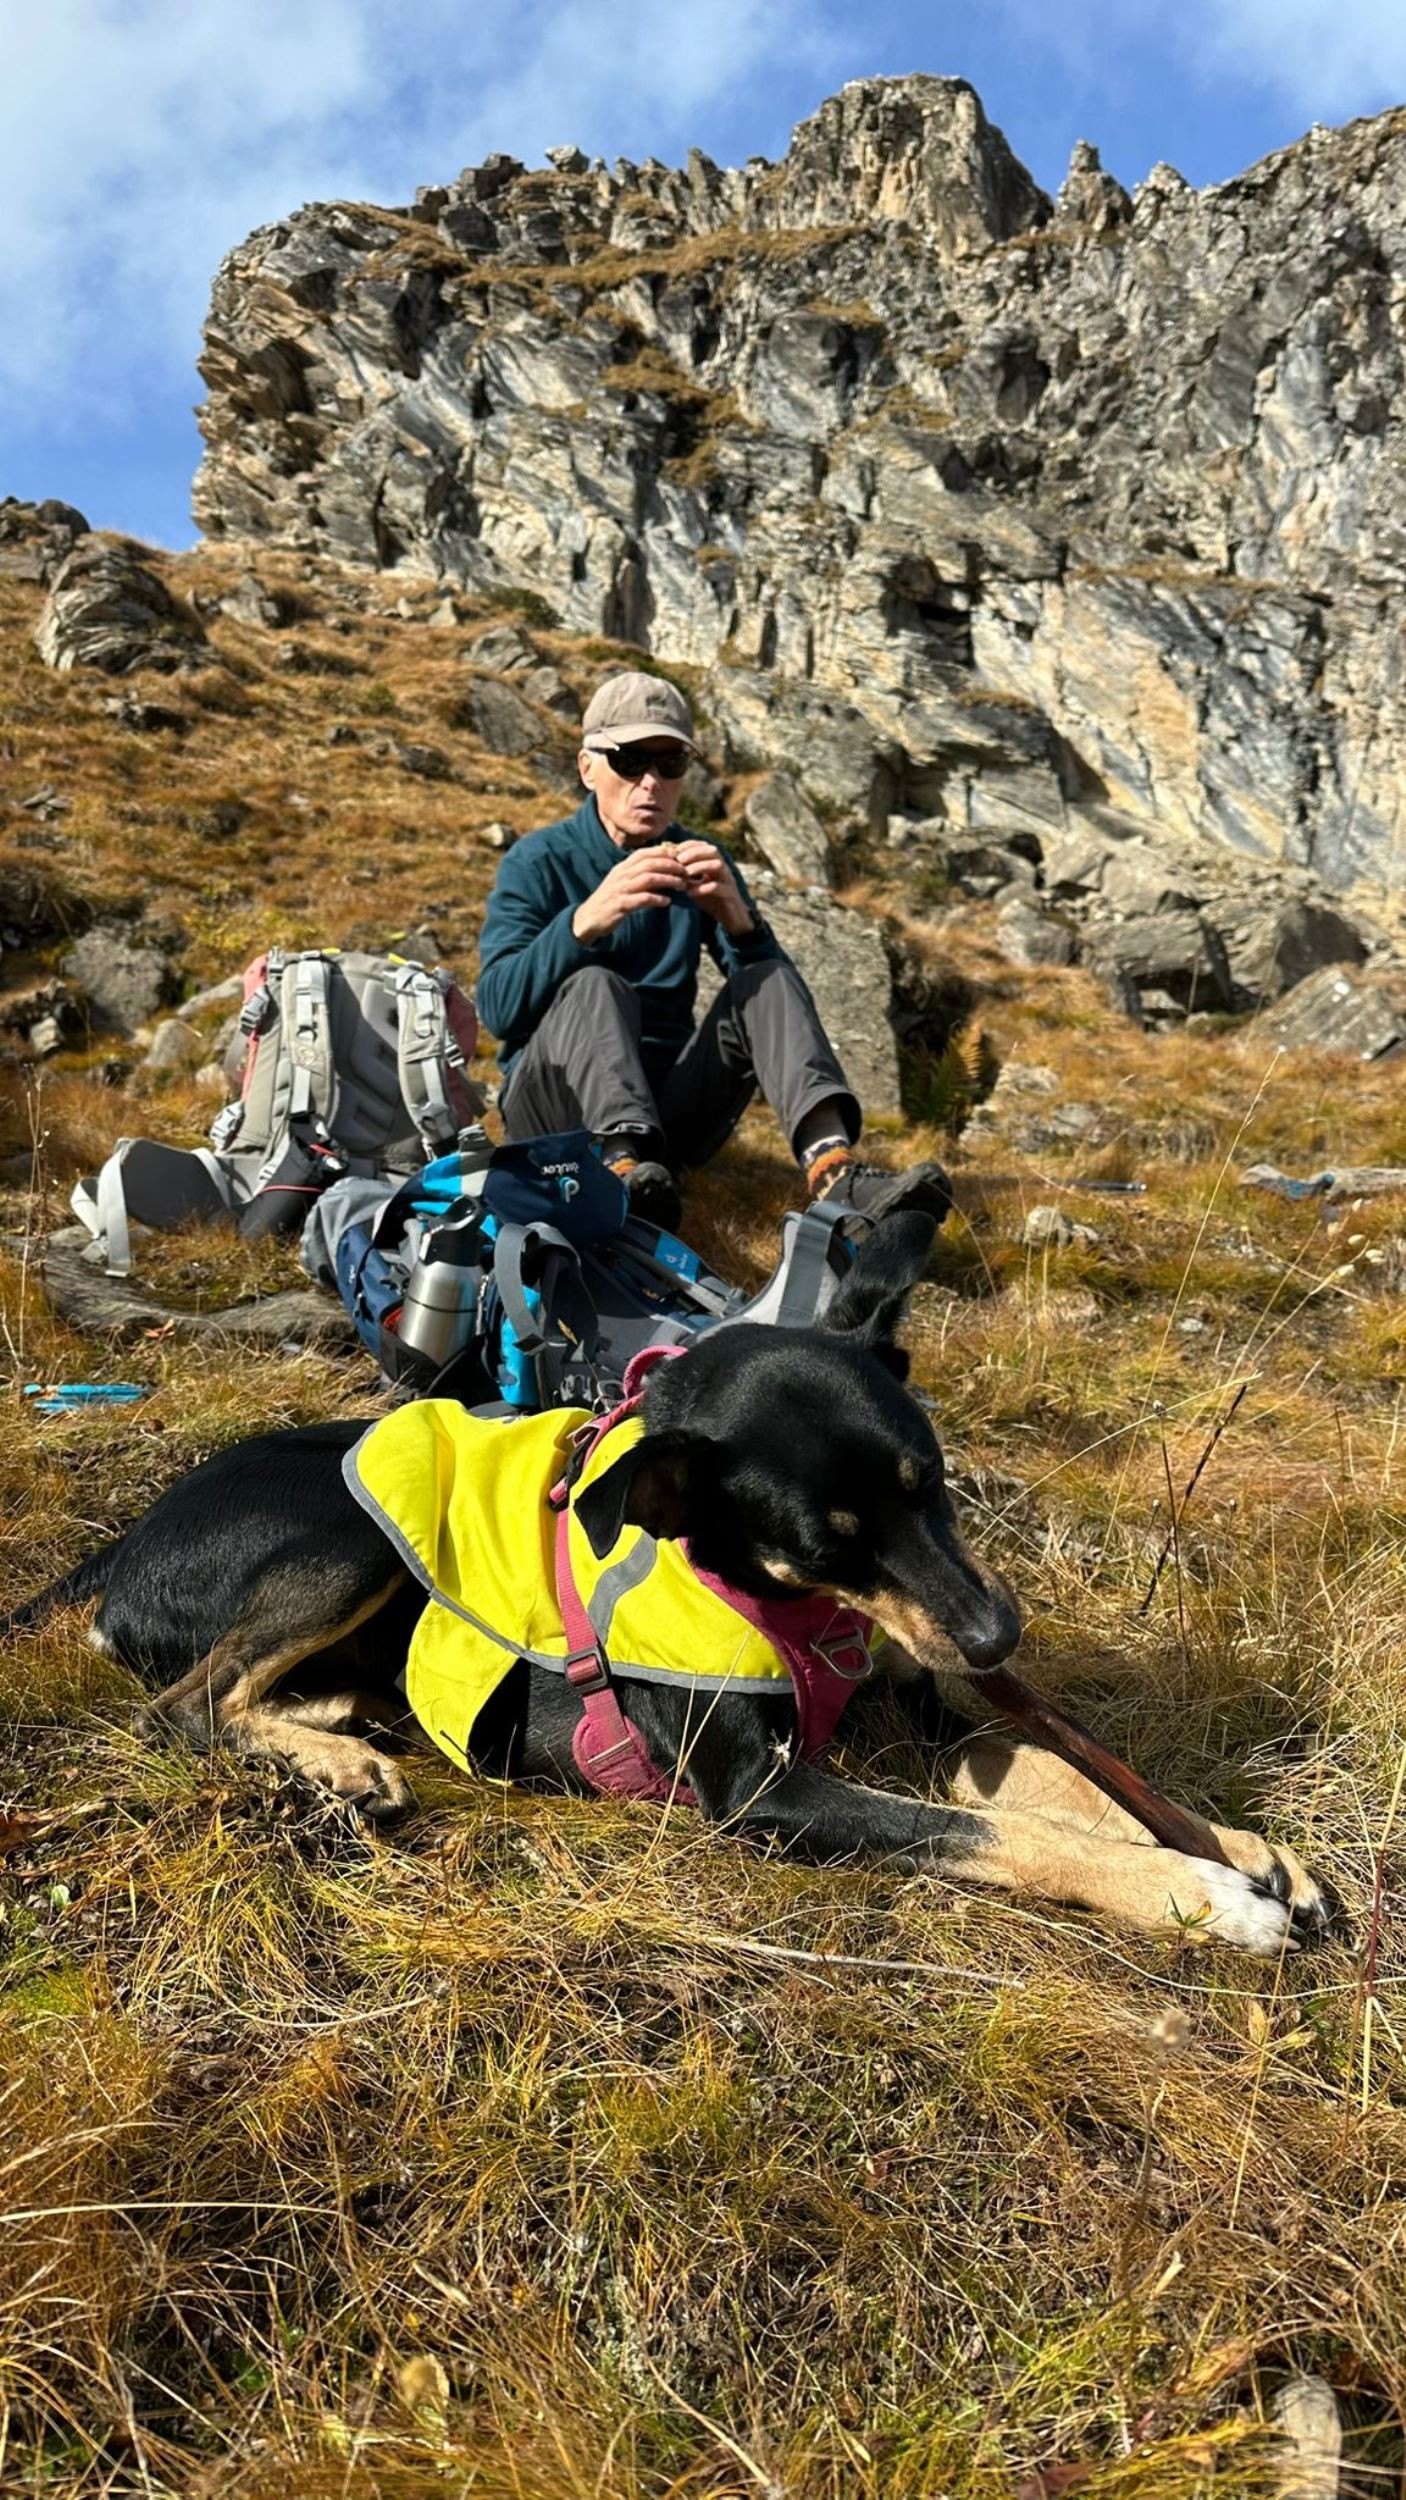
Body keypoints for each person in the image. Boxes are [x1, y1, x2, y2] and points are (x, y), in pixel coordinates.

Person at [475, 669, 951, 1236]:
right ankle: (617, 1171)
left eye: (670, 764)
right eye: (629, 761)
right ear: (587, 768)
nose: (650, 782)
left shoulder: (697, 859)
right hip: (556, 1113)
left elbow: (772, 1002)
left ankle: (832, 1170)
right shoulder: (538, 861)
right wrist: (583, 922)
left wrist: (739, 922)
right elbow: (498, 1009)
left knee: (766, 974)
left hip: (669, 1120)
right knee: (597, 985)